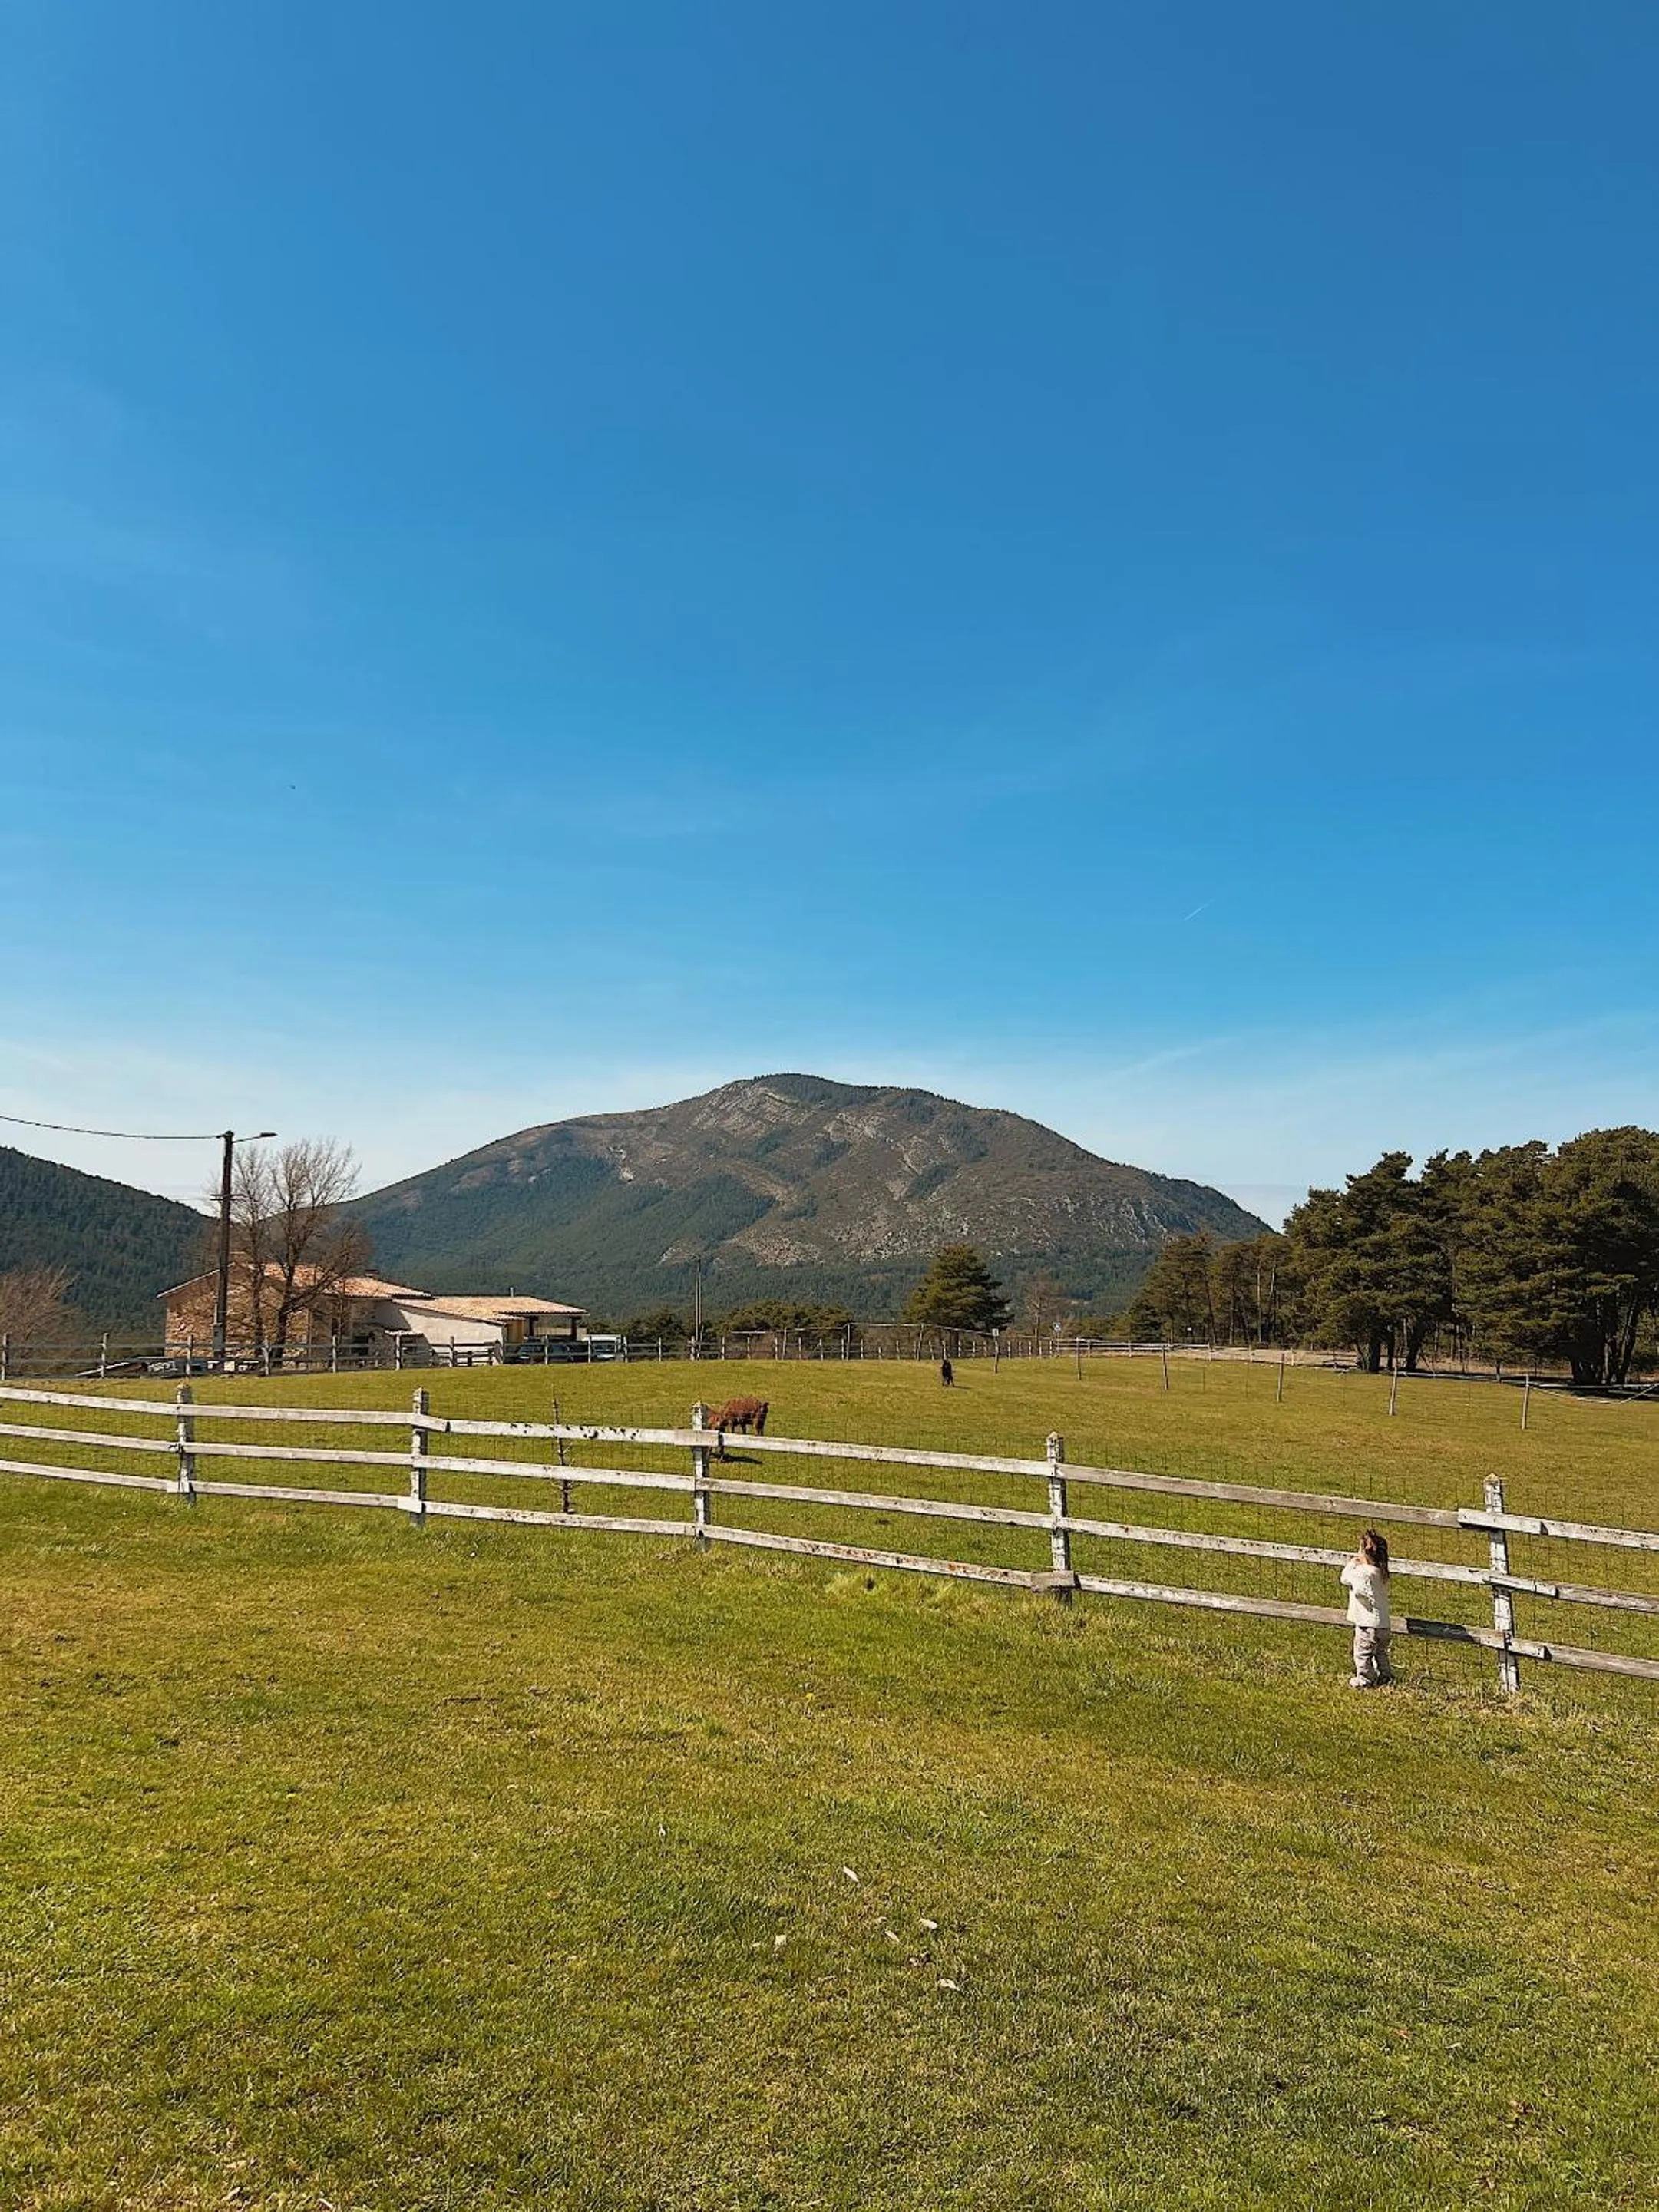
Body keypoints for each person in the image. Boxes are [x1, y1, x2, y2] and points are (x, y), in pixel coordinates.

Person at [1341, 1529, 1393, 1688]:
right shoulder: (1382, 1573)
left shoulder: (1362, 1573)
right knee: (1381, 1653)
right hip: (1384, 1624)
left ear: (1364, 1552)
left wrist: (1353, 1563)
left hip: (1366, 1624)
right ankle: (1386, 1677)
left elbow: (1344, 1579)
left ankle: (1365, 1679)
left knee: (1362, 1654)